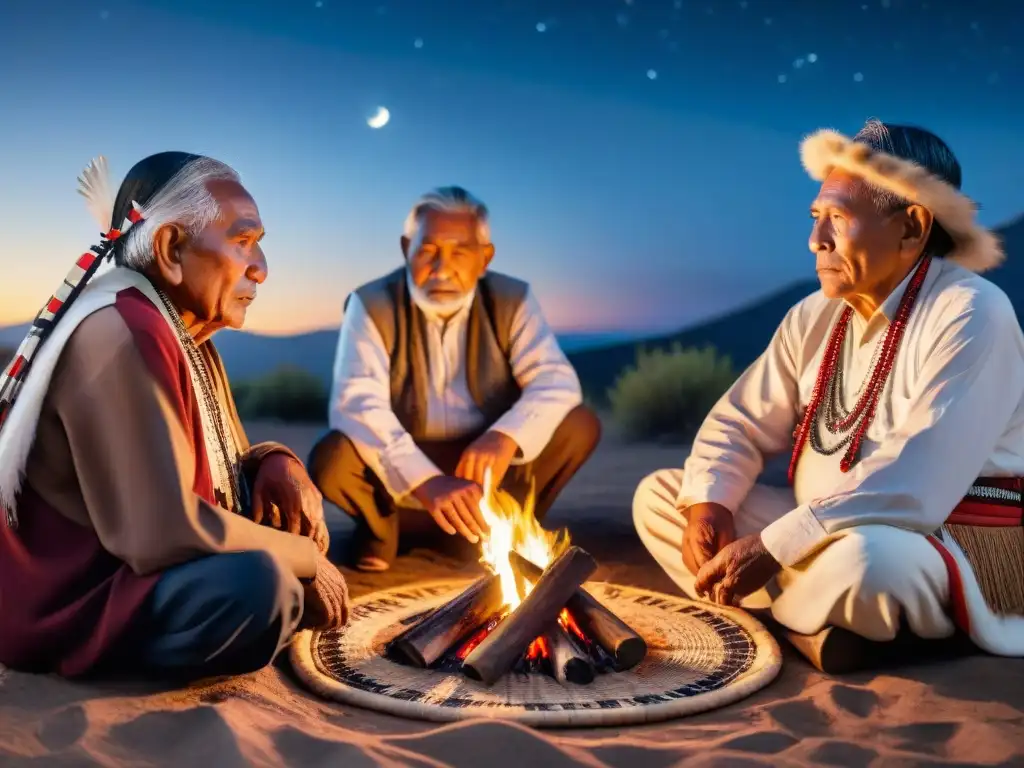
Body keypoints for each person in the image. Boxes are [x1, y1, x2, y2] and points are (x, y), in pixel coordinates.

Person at [633, 119, 1024, 668]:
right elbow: (740, 421)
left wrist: (774, 546)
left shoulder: (972, 311)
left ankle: (781, 621)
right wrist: (710, 504)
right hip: (814, 534)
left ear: (912, 227)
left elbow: (920, 481)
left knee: (869, 563)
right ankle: (816, 630)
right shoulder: (815, 315)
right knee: (662, 496)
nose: (815, 240)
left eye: (838, 219)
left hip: (937, 538)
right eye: (818, 218)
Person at [0, 153, 350, 680]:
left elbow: (211, 466)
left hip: (137, 566)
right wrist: (304, 558)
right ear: (170, 248)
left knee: (269, 567)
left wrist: (276, 463)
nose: (261, 268)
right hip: (74, 598)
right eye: (243, 241)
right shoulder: (120, 328)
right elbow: (159, 529)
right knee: (261, 586)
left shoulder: (183, 331)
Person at [309, 186, 601, 571]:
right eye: (428, 250)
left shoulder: (512, 298)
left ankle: (498, 525)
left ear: (485, 258)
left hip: (484, 465)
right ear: (405, 248)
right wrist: (426, 481)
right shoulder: (371, 303)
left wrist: (505, 436)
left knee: (577, 424)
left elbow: (555, 380)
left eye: (460, 251)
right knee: (332, 457)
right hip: (402, 464)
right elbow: (357, 402)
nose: (442, 268)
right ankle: (381, 530)